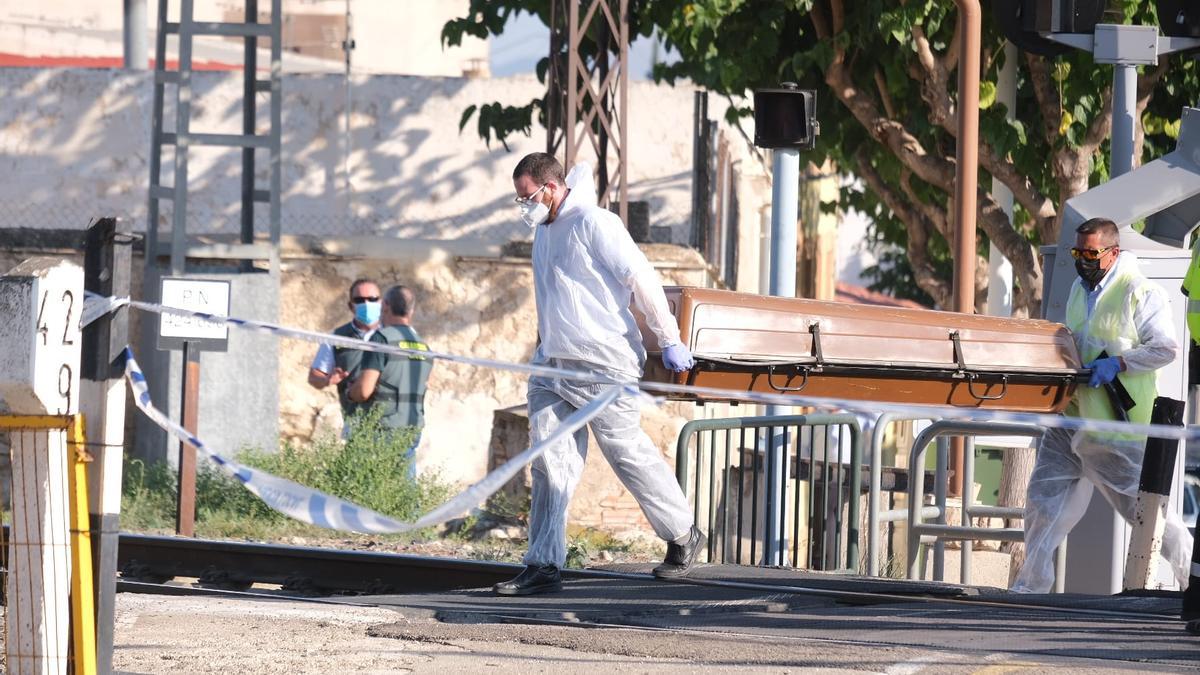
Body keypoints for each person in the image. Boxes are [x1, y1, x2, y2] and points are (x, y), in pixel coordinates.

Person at [493, 152, 705, 597]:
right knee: (551, 464)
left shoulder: (594, 223)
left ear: (550, 188)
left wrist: (668, 336)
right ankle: (545, 562)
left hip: (605, 365)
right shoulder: (545, 233)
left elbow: (640, 277)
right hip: (552, 365)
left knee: (626, 452)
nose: (523, 206)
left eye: (526, 196)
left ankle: (683, 534)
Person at [1012, 218, 1194, 593]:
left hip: (1116, 427)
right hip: (1073, 419)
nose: (1082, 260)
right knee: (1042, 502)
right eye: (1077, 252)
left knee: (1148, 516)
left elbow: (1166, 348)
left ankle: (1191, 577)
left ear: (1112, 253)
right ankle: (1031, 588)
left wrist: (1119, 363)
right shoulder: (1080, 290)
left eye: (1090, 253)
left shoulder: (1139, 291)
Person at [348, 285, 432, 475]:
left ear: (385, 306)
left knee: (368, 490)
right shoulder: (423, 346)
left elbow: (363, 391)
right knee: (403, 490)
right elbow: (425, 384)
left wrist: (350, 391)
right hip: (411, 427)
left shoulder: (382, 340)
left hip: (383, 428)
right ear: (412, 310)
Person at [308, 278, 382, 435]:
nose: (367, 304)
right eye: (359, 300)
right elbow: (314, 377)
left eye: (372, 299)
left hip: (390, 422)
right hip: (355, 421)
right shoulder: (338, 337)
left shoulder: (394, 335)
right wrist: (328, 380)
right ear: (351, 306)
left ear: (381, 302)